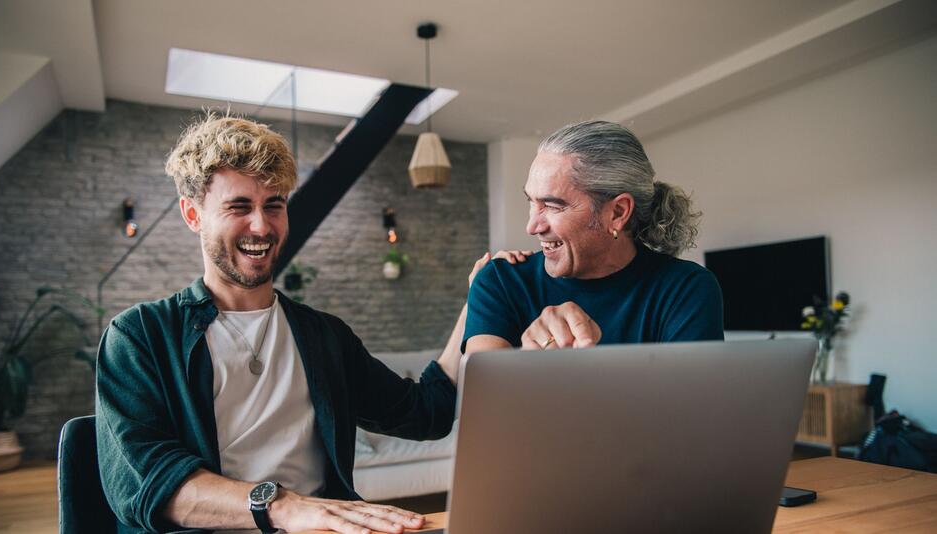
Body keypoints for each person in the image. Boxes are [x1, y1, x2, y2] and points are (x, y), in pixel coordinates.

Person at [96, 114, 478, 534]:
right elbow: (149, 485)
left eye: (273, 205)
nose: (261, 226)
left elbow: (425, 414)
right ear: (193, 214)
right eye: (239, 207)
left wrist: (477, 303)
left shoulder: (324, 336)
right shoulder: (139, 336)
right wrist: (282, 506)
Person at [464, 120, 724, 355]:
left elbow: (691, 405)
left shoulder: (684, 289)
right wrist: (529, 361)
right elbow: (484, 403)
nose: (532, 226)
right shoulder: (499, 281)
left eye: (553, 206)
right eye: (531, 201)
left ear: (617, 212)